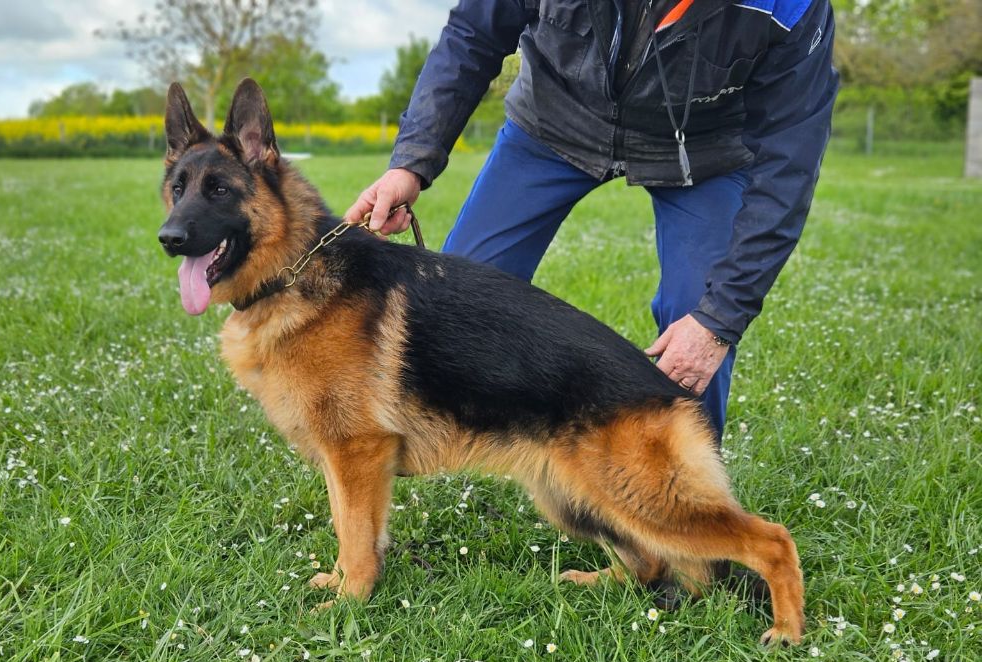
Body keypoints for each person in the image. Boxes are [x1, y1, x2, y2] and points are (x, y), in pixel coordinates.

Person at [345, 0, 839, 439]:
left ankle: (687, 484)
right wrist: (410, 164)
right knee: (459, 298)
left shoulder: (791, 7)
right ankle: (492, 445)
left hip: (706, 150)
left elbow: (788, 168)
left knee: (698, 305)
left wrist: (719, 321)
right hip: (552, 124)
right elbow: (471, 37)